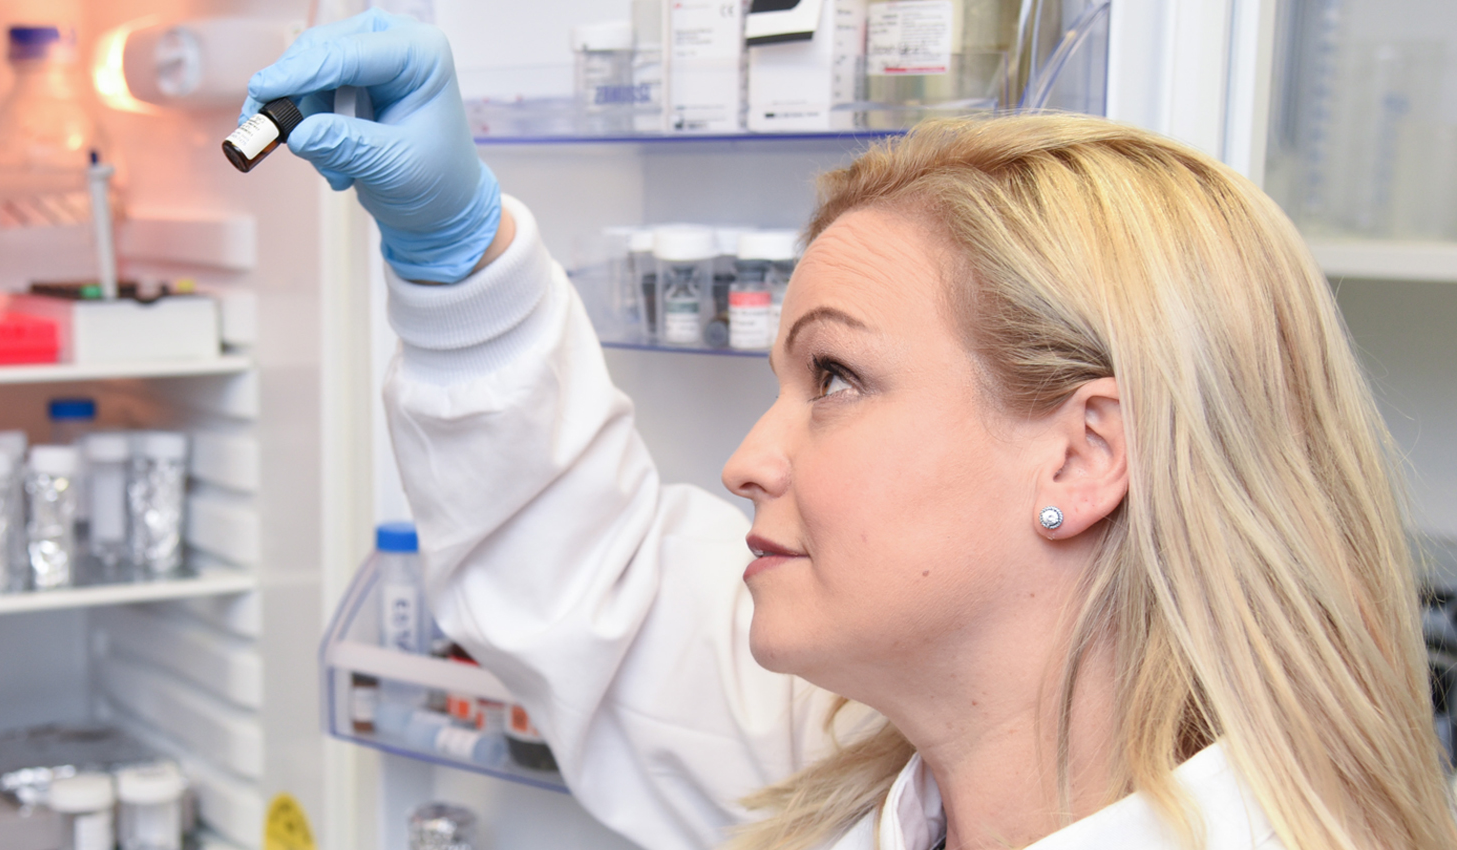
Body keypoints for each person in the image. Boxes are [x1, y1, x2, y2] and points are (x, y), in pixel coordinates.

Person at [245, 11, 1457, 850]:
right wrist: (460, 256)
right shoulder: (865, 763)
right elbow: (602, 596)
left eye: (834, 376)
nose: (746, 460)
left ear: (1084, 454)